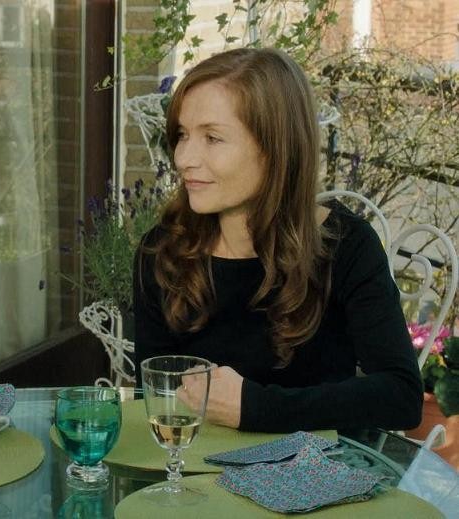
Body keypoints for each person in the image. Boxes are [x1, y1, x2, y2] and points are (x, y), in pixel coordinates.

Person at [133, 47, 423, 433]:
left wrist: (255, 407)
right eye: (183, 135)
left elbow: (401, 397)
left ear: (275, 149)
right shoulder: (163, 252)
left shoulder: (347, 248)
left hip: (315, 469)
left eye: (212, 138)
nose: (184, 158)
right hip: (193, 467)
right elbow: (153, 398)